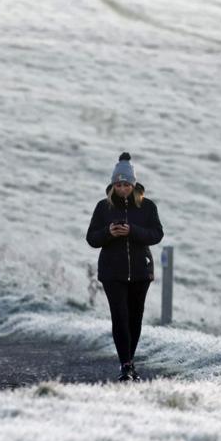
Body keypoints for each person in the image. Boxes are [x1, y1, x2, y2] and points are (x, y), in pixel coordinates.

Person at [86, 152, 164, 381]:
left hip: (141, 272)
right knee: (119, 317)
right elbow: (91, 238)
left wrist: (133, 231)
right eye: (119, 184)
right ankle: (126, 365)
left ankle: (130, 360)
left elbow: (157, 234)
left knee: (135, 318)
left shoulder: (148, 207)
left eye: (126, 184)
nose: (122, 188)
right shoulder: (103, 207)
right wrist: (109, 233)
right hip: (112, 273)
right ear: (113, 185)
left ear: (133, 183)